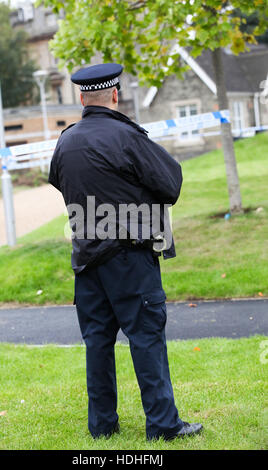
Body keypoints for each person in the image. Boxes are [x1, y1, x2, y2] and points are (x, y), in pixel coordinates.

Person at [48, 63, 203, 441]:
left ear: (81, 97)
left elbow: (59, 180)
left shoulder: (66, 141)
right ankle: (164, 426)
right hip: (130, 259)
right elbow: (171, 184)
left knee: (98, 342)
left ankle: (102, 427)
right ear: (114, 95)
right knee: (146, 338)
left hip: (87, 259)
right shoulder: (127, 137)